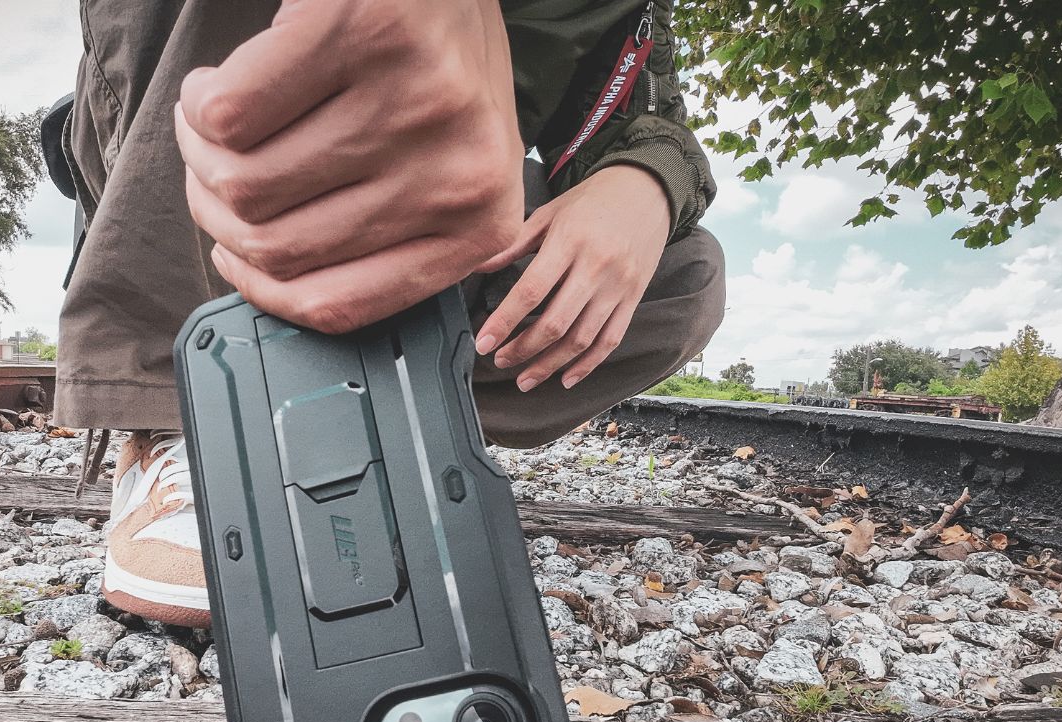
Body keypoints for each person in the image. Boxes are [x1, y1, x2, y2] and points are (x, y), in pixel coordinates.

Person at [54, 0, 727, 627]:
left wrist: (640, 181)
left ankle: (379, 431)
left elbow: (641, 109)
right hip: (207, 158)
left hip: (416, 213)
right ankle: (181, 414)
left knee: (684, 274)